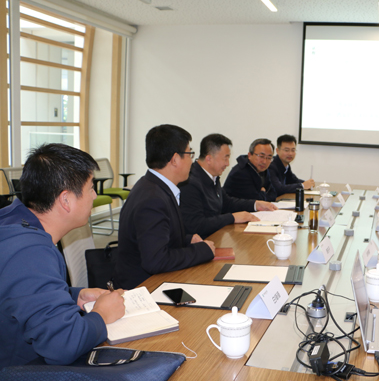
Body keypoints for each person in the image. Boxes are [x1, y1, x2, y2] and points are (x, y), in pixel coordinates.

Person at [0, 144, 125, 369]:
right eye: (91, 188)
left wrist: (72, 295)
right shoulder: (31, 252)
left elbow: (19, 295)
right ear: (65, 200)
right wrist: (101, 315)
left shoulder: (14, 221)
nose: (95, 195)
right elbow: (63, 345)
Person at [113, 125, 216, 290]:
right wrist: (202, 251)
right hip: (144, 287)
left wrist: (186, 239)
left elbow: (153, 239)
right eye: (189, 154)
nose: (192, 161)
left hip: (156, 280)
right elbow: (156, 260)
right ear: (175, 159)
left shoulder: (152, 186)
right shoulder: (153, 199)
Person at [180, 133, 277, 239]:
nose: (227, 164)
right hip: (203, 241)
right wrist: (232, 217)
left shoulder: (213, 176)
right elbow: (196, 224)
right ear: (209, 159)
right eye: (225, 158)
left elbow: (227, 203)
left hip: (216, 236)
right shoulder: (190, 182)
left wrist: (255, 204)